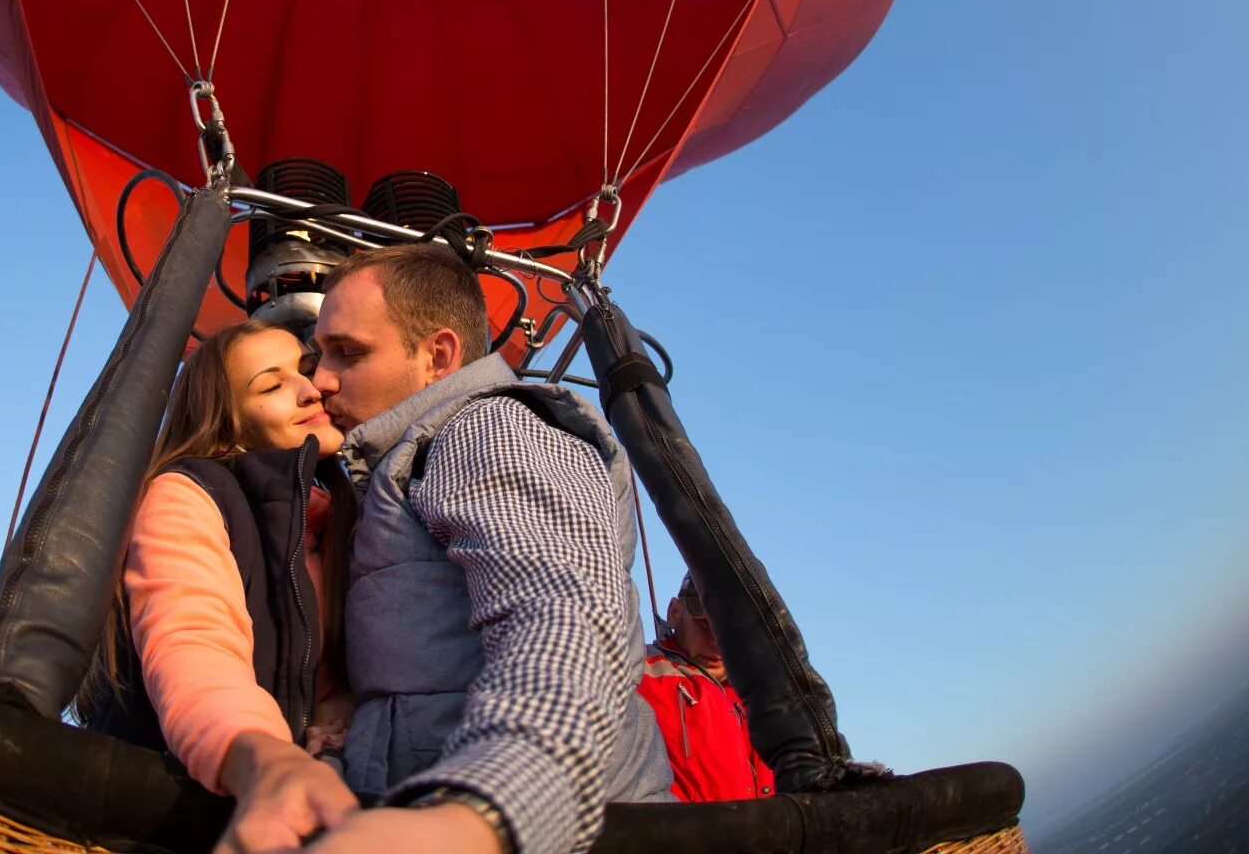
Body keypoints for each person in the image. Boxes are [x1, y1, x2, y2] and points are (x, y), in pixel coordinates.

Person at [219, 242, 671, 854]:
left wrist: (480, 815)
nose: (320, 380)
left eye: (347, 352)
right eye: (318, 353)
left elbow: (564, 618)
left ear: (438, 356)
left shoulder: (488, 430)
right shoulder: (394, 472)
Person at [71, 320, 363, 850]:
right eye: (271, 386)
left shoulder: (340, 517)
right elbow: (191, 641)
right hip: (167, 811)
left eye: (305, 368)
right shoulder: (187, 494)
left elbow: (329, 672)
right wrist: (267, 760)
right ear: (228, 426)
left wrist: (332, 716)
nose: (309, 389)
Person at [639, 574, 776, 802]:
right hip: (674, 834)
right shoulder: (636, 669)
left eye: (730, 632)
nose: (716, 642)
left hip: (764, 834)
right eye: (705, 625)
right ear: (674, 612)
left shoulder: (765, 697)